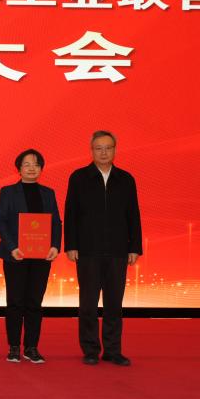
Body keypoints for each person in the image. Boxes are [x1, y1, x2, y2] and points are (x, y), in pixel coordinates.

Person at [65, 130, 142, 367]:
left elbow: (133, 214)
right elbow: (71, 213)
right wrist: (71, 245)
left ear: (115, 150)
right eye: (99, 148)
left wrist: (135, 247)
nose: (104, 152)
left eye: (108, 148)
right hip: (88, 250)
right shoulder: (79, 177)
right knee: (88, 303)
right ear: (92, 151)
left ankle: (112, 350)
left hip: (118, 250)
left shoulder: (126, 179)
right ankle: (90, 349)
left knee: (114, 304)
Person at [0, 149, 62, 363]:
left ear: (41, 169)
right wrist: (12, 247)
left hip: (41, 256)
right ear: (19, 169)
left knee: (34, 302)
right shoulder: (8, 192)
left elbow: (56, 222)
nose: (32, 168)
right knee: (15, 301)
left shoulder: (48, 193)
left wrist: (55, 245)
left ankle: (31, 347)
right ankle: (14, 347)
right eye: (27, 164)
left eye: (36, 164)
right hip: (15, 255)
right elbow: (1, 221)